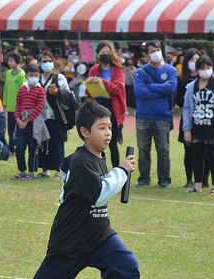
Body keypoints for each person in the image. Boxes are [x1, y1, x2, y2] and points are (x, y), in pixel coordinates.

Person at [0, 100, 139, 279]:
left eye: (110, 128)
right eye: (101, 128)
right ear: (84, 132)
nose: (108, 133)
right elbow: (98, 193)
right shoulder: (82, 161)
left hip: (99, 236)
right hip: (69, 243)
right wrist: (122, 171)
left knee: (128, 267)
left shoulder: (96, 157)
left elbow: (69, 168)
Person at [182, 55, 214, 195]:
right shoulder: (191, 87)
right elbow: (186, 109)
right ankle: (197, 185)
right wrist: (186, 129)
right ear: (197, 70)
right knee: (197, 157)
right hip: (197, 127)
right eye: (202, 68)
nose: (205, 70)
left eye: (208, 67)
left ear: (213, 68)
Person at [133, 40, 177, 189]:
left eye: (157, 49)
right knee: (143, 149)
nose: (155, 53)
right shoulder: (140, 71)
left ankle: (164, 180)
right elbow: (139, 91)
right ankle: (144, 179)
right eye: (152, 51)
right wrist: (160, 90)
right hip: (143, 116)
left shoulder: (171, 70)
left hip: (162, 116)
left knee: (163, 150)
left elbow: (171, 88)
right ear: (147, 55)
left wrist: (150, 87)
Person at [85, 41, 126, 168]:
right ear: (98, 55)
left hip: (113, 109)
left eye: (109, 52)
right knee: (96, 142)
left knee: (112, 143)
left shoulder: (117, 69)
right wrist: (90, 82)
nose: (107, 55)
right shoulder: (94, 69)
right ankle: (98, 170)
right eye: (104, 53)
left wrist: (102, 82)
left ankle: (116, 171)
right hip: (97, 108)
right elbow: (87, 92)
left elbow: (117, 89)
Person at [37, 51, 73, 178]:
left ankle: (59, 170)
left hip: (55, 115)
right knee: (42, 142)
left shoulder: (59, 78)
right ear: (40, 63)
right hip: (40, 115)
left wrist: (58, 92)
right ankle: (44, 169)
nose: (47, 63)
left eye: (49, 61)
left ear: (53, 62)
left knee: (56, 142)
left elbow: (69, 94)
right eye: (44, 61)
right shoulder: (37, 77)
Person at [10, 64, 46, 180]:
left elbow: (39, 107)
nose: (34, 77)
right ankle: (22, 171)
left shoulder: (40, 90)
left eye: (36, 75)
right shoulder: (22, 89)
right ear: (26, 76)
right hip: (21, 122)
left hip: (34, 123)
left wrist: (28, 120)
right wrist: (19, 120)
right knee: (19, 147)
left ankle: (31, 171)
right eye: (31, 75)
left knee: (33, 147)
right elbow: (17, 106)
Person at [175, 48, 200, 189]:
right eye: (191, 60)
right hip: (188, 119)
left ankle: (203, 178)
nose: (194, 63)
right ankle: (189, 179)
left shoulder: (204, 79)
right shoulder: (182, 80)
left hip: (203, 118)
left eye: (197, 59)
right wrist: (186, 99)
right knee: (188, 151)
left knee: (203, 150)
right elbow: (178, 100)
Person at [2, 51, 26, 156]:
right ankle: (11, 148)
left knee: (18, 130)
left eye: (12, 60)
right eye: (9, 60)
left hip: (19, 108)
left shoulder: (22, 74)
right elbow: (6, 90)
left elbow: (24, 91)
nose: (10, 63)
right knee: (10, 129)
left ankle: (18, 148)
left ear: (17, 61)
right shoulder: (8, 73)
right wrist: (5, 103)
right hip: (10, 107)